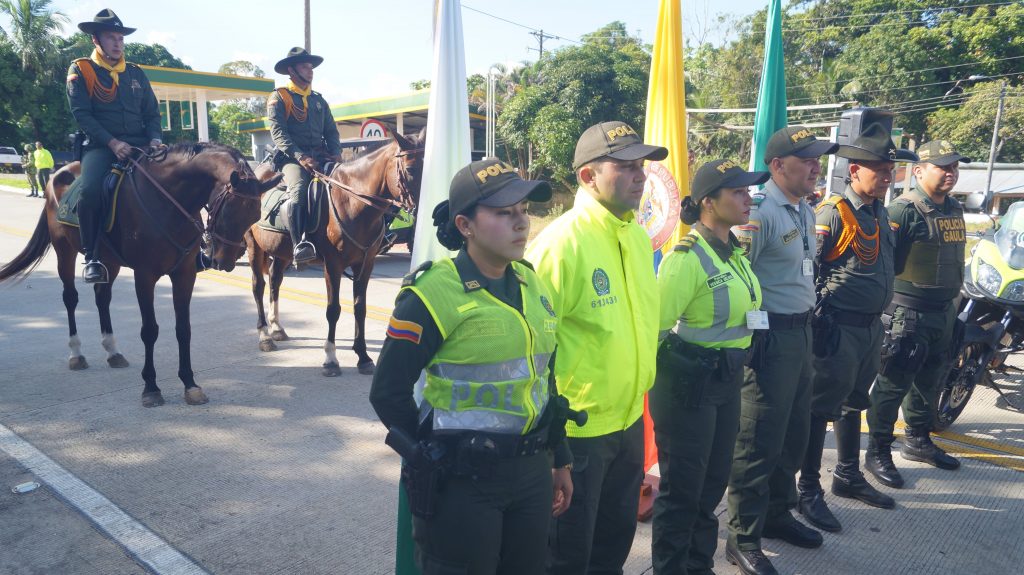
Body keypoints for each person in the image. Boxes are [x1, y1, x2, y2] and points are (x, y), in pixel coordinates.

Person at [369, 158, 572, 575]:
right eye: (503, 213)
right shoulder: (431, 294)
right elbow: (387, 391)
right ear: (465, 226)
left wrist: (560, 458)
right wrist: (427, 455)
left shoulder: (532, 282)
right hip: (465, 481)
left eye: (523, 211)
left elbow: (543, 379)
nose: (521, 223)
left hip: (532, 471)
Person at [526, 120, 666, 574]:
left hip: (627, 422)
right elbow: (532, 353)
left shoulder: (636, 237)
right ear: (589, 176)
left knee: (612, 547)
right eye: (625, 167)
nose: (640, 176)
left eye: (641, 166)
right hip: (577, 434)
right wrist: (550, 448)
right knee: (565, 555)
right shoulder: (560, 245)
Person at [728, 126, 837, 575]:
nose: (816, 167)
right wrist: (754, 338)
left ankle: (777, 513)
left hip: (801, 334)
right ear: (777, 166)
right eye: (807, 159)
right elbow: (739, 278)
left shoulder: (804, 210)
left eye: (817, 159)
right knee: (758, 440)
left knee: (793, 431)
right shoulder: (760, 212)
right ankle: (742, 536)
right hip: (770, 338)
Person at [651, 160, 768, 575]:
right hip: (688, 389)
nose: (747, 198)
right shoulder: (686, 259)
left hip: (726, 382)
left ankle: (698, 566)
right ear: (707, 203)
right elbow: (656, 332)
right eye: (737, 192)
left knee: (711, 487)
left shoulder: (735, 251)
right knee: (683, 492)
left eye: (747, 191)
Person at [799, 123, 918, 531]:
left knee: (854, 403)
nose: (888, 177)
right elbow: (808, 273)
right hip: (837, 330)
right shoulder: (834, 213)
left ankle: (848, 475)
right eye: (880, 170)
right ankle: (808, 489)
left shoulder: (881, 211)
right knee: (820, 409)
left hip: (870, 329)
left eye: (890, 171)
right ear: (854, 172)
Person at [865, 140, 969, 487]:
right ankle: (878, 449)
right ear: (920, 171)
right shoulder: (903, 210)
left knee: (930, 381)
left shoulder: (954, 207)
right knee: (893, 384)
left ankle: (918, 439)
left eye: (954, 166)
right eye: (943, 166)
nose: (951, 172)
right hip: (908, 313)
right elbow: (882, 264)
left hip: (943, 313)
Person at [66, 9, 163, 284]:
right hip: (101, 146)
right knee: (90, 191)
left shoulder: (134, 72)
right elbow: (82, 114)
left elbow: (152, 113)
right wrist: (112, 142)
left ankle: (191, 249)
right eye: (112, 37)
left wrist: (155, 138)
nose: (118, 43)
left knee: (176, 180)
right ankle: (92, 255)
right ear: (96, 39)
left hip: (142, 144)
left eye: (121, 37)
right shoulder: (81, 70)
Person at [268, 47, 342, 264]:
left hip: (321, 156)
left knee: (353, 181)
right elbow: (279, 134)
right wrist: (300, 157)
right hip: (292, 159)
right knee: (299, 191)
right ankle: (299, 244)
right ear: (291, 70)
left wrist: (336, 153)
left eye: (311, 67)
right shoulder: (279, 97)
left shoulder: (319, 100)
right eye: (304, 66)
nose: (310, 71)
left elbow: (331, 131)